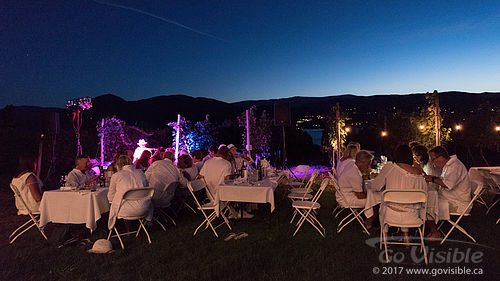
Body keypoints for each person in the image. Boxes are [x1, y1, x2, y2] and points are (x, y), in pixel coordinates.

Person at [367, 145, 427, 244]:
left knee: (385, 205)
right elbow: (424, 190)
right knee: (405, 202)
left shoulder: (390, 167)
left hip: (391, 215)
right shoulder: (419, 174)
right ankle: (406, 237)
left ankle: (385, 239)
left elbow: (376, 186)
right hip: (413, 216)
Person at [424, 146, 471, 238]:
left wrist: (432, 179)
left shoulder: (455, 166)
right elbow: (444, 180)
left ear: (441, 157)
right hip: (450, 198)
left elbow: (447, 184)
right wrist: (432, 178)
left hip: (457, 202)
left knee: (426, 204)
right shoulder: (449, 165)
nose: (433, 163)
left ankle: (435, 232)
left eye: (433, 159)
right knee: (428, 197)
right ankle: (431, 229)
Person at [107, 155, 152, 231]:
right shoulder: (140, 173)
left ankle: (120, 228)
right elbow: (146, 189)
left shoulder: (116, 175)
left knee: (114, 202)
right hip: (145, 208)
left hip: (126, 211)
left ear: (118, 165)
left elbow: (110, 197)